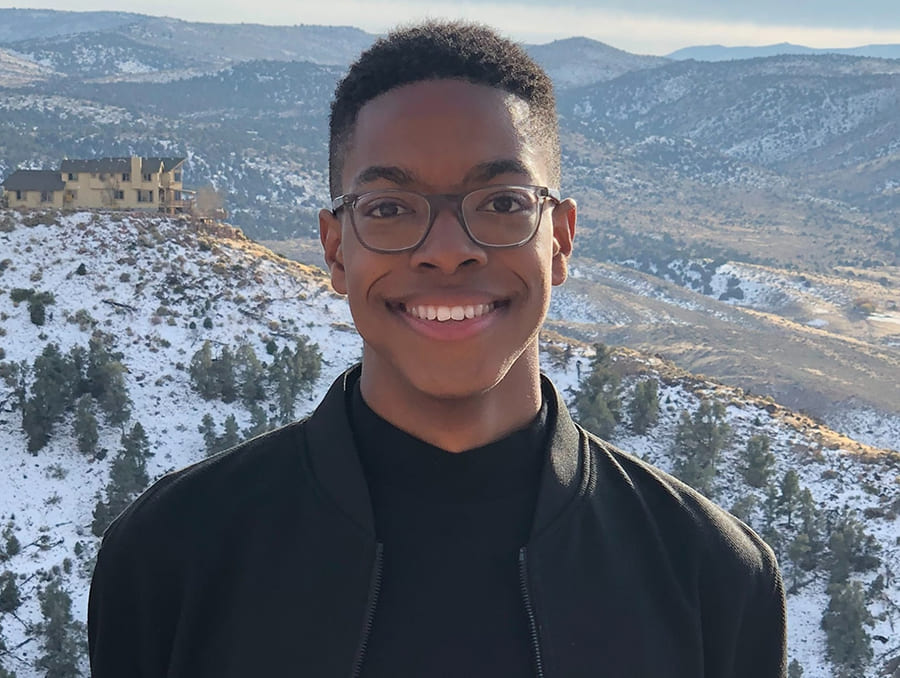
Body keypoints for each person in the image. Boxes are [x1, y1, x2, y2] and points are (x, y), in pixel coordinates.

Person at [88, 21, 787, 677]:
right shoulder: (172, 555)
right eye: (389, 209)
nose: (448, 252)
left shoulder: (710, 573)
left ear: (562, 238)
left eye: (502, 203)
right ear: (335, 250)